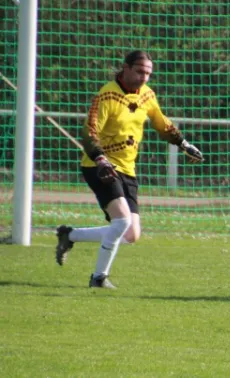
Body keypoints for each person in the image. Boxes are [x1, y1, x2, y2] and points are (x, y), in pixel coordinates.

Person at [54, 50, 204, 289]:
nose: (144, 77)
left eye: (148, 73)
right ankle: (98, 278)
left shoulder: (146, 95)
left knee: (130, 234)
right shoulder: (107, 95)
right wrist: (101, 159)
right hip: (99, 165)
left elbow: (160, 122)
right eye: (140, 71)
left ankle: (69, 235)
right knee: (122, 221)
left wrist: (183, 143)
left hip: (127, 167)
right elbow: (89, 132)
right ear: (126, 68)